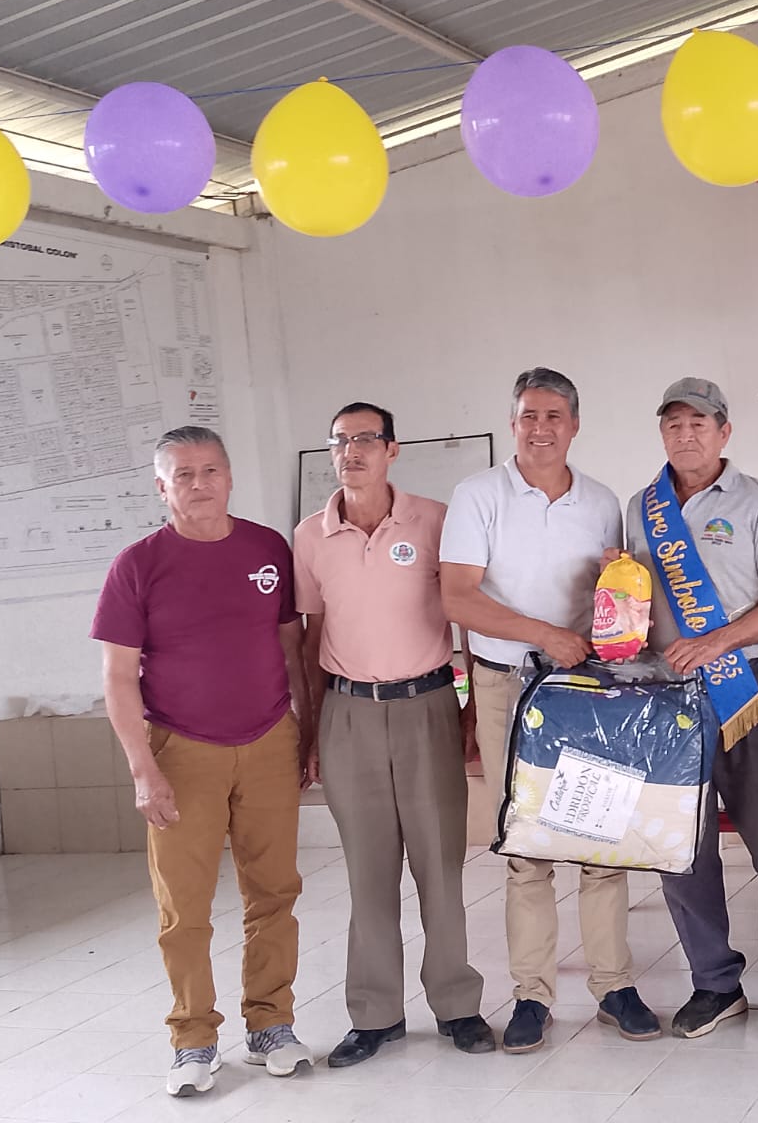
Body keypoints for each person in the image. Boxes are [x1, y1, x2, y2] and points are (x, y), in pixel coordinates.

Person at [439, 368, 660, 1053]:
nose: (541, 428)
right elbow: (457, 597)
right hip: (507, 686)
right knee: (525, 846)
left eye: (554, 416)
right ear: (513, 423)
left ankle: (614, 986)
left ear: (575, 425)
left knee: (602, 840)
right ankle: (531, 995)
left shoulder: (602, 502)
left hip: (587, 688)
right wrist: (545, 636)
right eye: (529, 416)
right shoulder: (477, 495)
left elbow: (617, 596)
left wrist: (620, 596)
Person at [92, 426, 313, 1098]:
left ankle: (271, 1024)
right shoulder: (138, 565)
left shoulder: (267, 549)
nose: (198, 484)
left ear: (229, 476)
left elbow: (293, 650)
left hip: (269, 741)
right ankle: (192, 1038)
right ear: (162, 488)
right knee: (183, 906)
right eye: (182, 475)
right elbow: (118, 678)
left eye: (210, 470)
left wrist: (307, 733)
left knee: (274, 893)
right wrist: (143, 769)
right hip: (181, 750)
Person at [293, 402, 491, 1067]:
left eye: (366, 439)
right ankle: (375, 1014)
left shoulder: (435, 520)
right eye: (340, 441)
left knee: (440, 865)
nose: (351, 452)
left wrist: (469, 708)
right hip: (348, 712)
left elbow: (465, 618)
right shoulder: (310, 536)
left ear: (392, 449)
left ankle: (458, 1005)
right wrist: (311, 729)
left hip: (427, 704)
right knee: (367, 872)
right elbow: (311, 640)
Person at [623, 378, 758, 1042]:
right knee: (681, 846)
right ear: (662, 432)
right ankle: (714, 982)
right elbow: (634, 600)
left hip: (743, 688)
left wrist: (716, 642)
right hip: (667, 696)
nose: (686, 434)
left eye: (699, 423)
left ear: (724, 431)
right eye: (673, 423)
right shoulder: (642, 507)